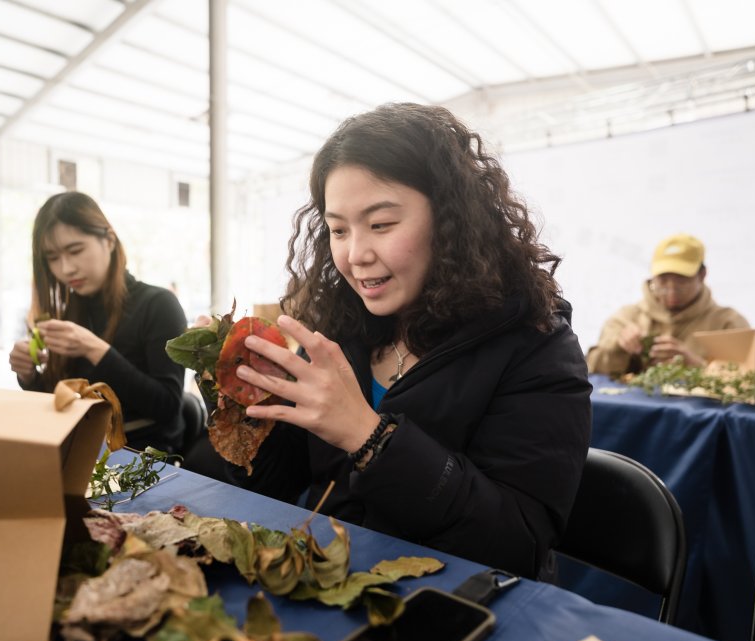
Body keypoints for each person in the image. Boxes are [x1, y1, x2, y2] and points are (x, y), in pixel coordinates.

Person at [206, 103, 592, 579]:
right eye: (338, 230)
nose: (355, 255)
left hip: (462, 609)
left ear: (452, 220)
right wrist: (242, 393)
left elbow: (517, 543)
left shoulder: (537, 348)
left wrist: (369, 438)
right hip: (342, 585)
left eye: (382, 225)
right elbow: (273, 490)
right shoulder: (340, 326)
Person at [8, 192, 187, 453]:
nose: (66, 268)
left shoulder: (158, 304)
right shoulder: (63, 313)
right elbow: (56, 401)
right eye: (53, 258)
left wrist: (96, 350)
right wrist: (28, 375)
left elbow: (168, 407)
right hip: (77, 447)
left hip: (145, 456)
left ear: (109, 240)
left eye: (75, 250)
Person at [586, 234, 750, 375]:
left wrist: (697, 366)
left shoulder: (729, 324)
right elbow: (589, 370)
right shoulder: (626, 318)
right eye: (663, 280)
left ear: (702, 275)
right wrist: (617, 346)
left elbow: (750, 380)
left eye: (681, 280)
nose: (671, 290)